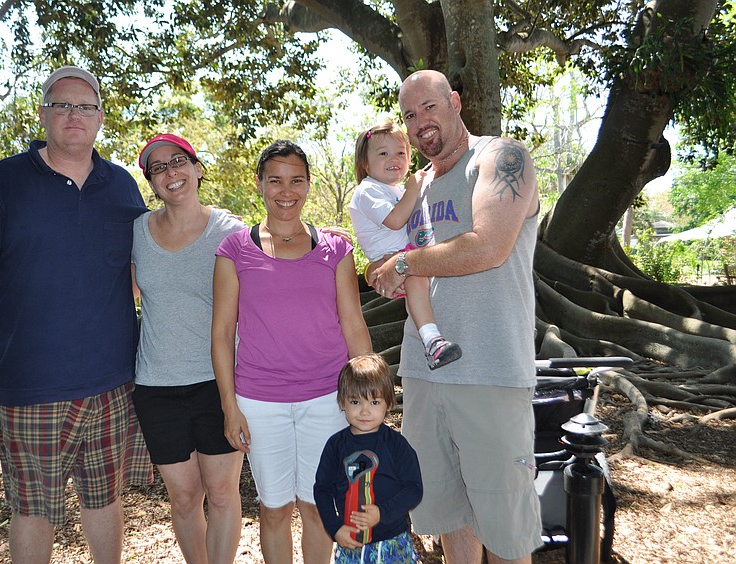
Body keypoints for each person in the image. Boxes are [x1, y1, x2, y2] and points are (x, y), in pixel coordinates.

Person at [0, 66, 153, 563]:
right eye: (62, 104)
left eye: (86, 106)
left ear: (100, 119)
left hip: (113, 380)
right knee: (33, 510)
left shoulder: (121, 186)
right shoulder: (1, 184)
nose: (74, 114)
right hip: (30, 384)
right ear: (43, 114)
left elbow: (146, 271)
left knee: (106, 499)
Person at [370, 69, 543, 563]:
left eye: (429, 106)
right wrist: (385, 270)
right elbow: (397, 254)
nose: (420, 121)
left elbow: (487, 247)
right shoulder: (419, 185)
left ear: (456, 102)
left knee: (507, 531)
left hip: (489, 371)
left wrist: (403, 263)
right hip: (424, 373)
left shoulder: (500, 158)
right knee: (448, 516)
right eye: (409, 114)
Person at [211, 140, 374, 564]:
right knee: (274, 508)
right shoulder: (234, 250)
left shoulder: (335, 249)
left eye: (297, 180)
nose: (287, 190)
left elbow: (353, 323)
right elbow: (223, 331)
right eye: (276, 180)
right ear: (260, 185)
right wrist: (230, 405)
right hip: (260, 401)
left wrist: (371, 395)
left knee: (319, 507)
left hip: (327, 398)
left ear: (308, 185)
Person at [131, 133, 246, 564]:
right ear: (152, 182)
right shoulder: (137, 232)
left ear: (197, 168)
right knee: (183, 498)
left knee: (220, 493)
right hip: (156, 385)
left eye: (178, 161)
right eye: (158, 168)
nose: (170, 173)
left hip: (217, 383)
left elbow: (269, 279)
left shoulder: (229, 231)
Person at [349, 120, 461, 369]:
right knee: (415, 274)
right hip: (391, 260)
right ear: (365, 163)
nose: (394, 158)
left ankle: (436, 336)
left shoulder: (396, 191)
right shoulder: (368, 191)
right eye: (383, 153)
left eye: (401, 152)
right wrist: (413, 187)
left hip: (405, 255)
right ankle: (433, 342)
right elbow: (396, 220)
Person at [313, 353, 423, 563]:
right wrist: (335, 528)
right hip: (351, 543)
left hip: (392, 542)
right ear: (342, 402)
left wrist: (382, 513)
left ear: (389, 403)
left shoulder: (397, 445)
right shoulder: (336, 446)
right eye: (355, 401)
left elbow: (414, 489)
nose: (364, 411)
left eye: (374, 402)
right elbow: (322, 489)